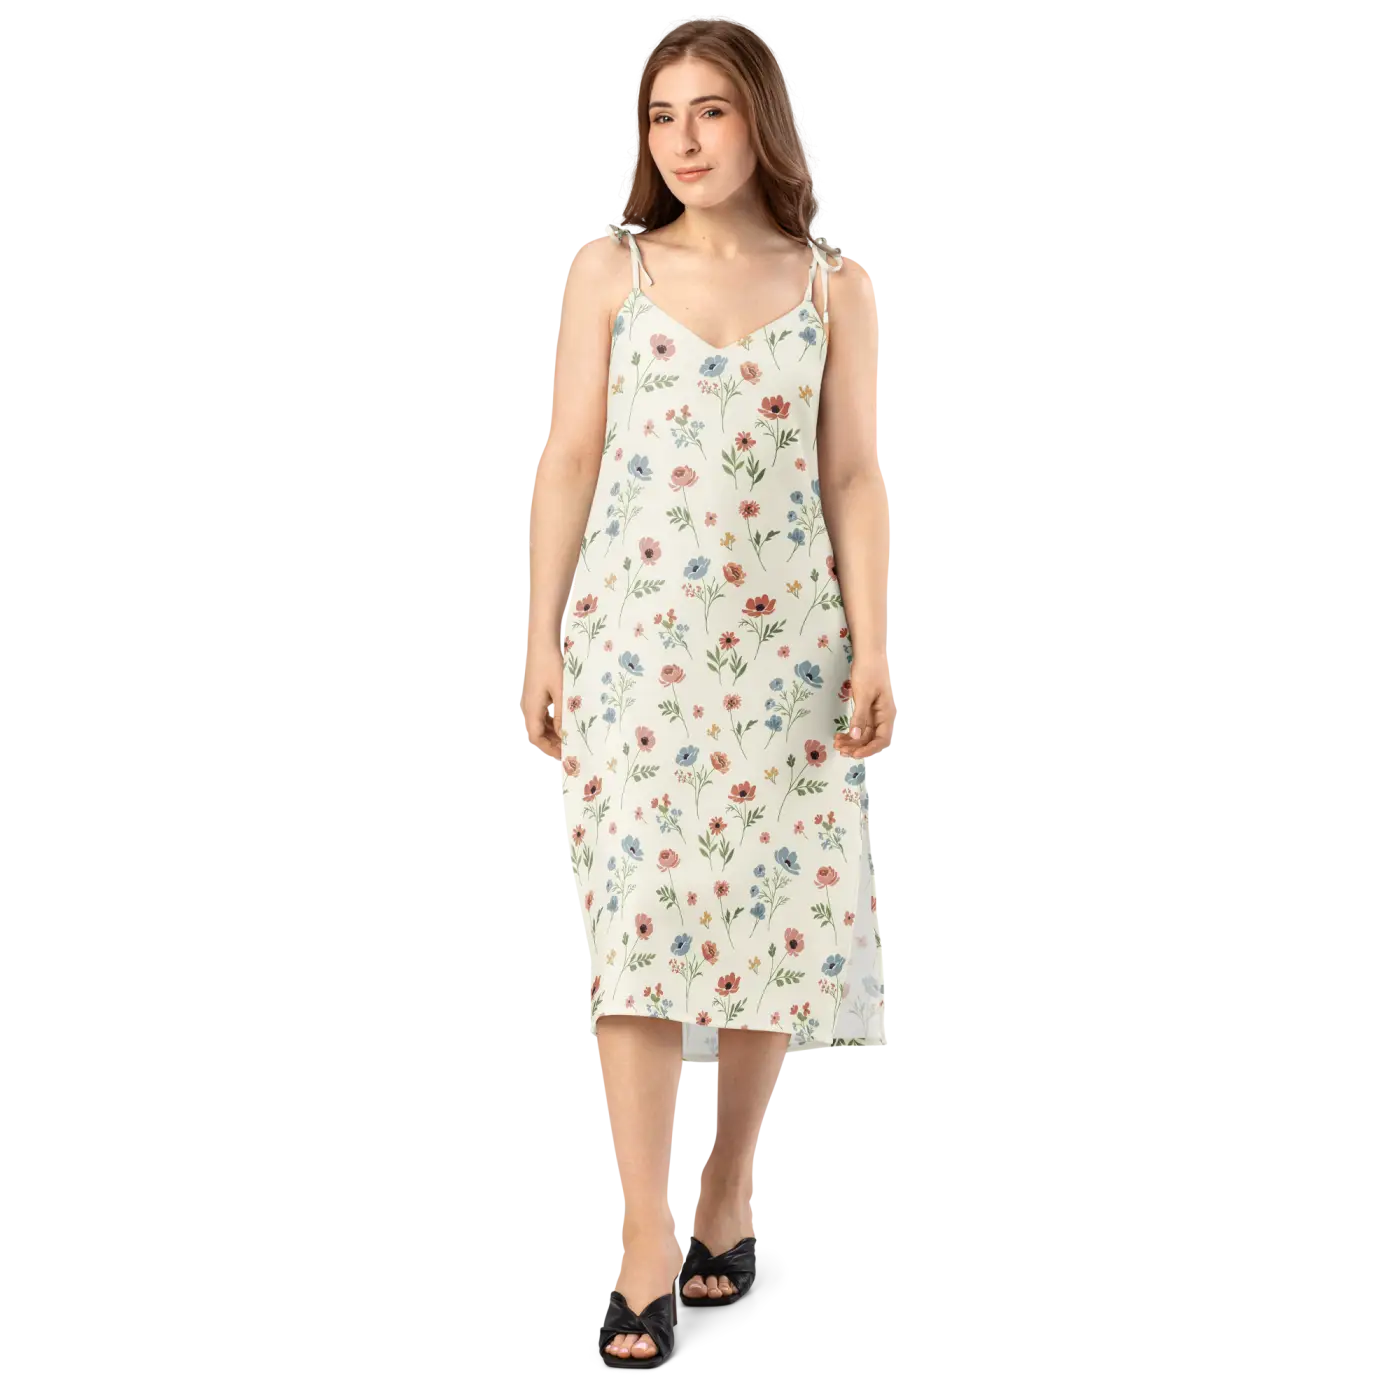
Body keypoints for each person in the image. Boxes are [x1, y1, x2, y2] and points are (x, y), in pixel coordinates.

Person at [522, 13, 892, 1367]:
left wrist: (873, 644)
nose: (684, 139)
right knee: (635, 934)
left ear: (762, 123)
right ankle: (642, 1234)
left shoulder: (833, 285)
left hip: (788, 651)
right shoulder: (608, 269)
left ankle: (729, 1186)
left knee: (762, 924)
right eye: (662, 116)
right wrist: (542, 640)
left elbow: (852, 473)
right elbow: (569, 456)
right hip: (637, 651)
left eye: (711, 111)